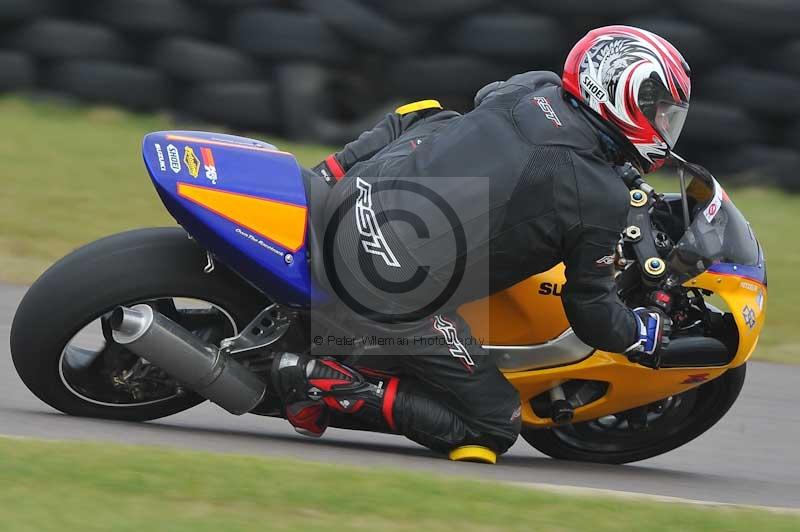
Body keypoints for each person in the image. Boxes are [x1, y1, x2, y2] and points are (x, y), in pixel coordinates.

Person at [271, 25, 686, 461]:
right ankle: (317, 376)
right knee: (495, 423)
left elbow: (501, 107)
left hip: (356, 197)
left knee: (436, 117)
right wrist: (640, 332)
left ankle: (327, 174)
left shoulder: (534, 86)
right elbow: (592, 313)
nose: (663, 125)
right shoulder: (599, 198)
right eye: (657, 111)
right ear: (620, 95)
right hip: (385, 279)